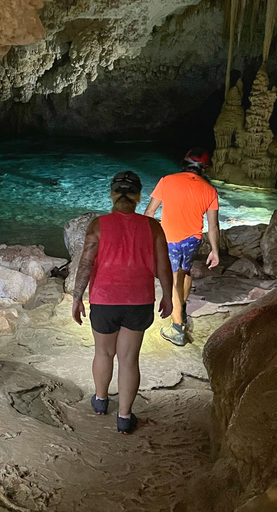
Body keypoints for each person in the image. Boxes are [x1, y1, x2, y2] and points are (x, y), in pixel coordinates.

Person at [72, 171, 173, 435]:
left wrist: (76, 298)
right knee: (129, 359)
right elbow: (164, 267)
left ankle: (101, 401)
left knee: (103, 353)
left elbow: (85, 264)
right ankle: (125, 418)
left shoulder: (98, 225)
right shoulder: (153, 227)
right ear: (139, 196)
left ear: (112, 194)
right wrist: (168, 296)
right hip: (138, 301)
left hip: (104, 300)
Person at [144, 148, 220, 347]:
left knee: (171, 279)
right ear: (203, 168)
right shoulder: (210, 190)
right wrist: (215, 250)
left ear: (184, 163)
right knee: (184, 273)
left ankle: (177, 328)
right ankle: (181, 308)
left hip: (170, 240)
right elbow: (213, 225)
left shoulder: (167, 181)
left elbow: (150, 212)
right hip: (192, 240)